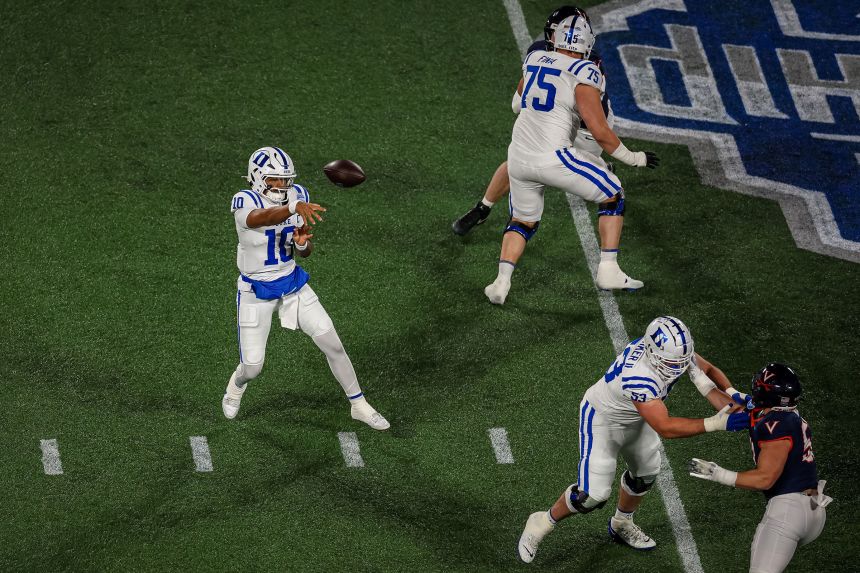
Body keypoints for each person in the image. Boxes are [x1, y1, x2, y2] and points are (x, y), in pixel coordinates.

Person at [517, 316, 751, 563]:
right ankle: (543, 521)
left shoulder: (671, 352)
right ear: (652, 353)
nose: (677, 367)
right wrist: (716, 423)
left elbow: (708, 374)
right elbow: (666, 427)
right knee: (591, 496)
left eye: (681, 361)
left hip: (637, 418)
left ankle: (622, 522)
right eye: (672, 362)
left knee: (645, 474)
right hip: (603, 420)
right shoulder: (640, 375)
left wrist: (735, 398)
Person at [484, 14, 659, 306]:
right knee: (613, 195)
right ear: (587, 43)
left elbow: (517, 103)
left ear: (555, 38)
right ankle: (608, 269)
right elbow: (601, 132)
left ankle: (501, 282)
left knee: (523, 221)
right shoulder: (585, 71)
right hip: (554, 158)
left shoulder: (536, 57)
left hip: (518, 157)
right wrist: (635, 158)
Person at [222, 146, 390, 431]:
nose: (283, 186)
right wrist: (290, 209)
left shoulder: (298, 196)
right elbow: (258, 219)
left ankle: (358, 404)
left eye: (287, 179)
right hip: (256, 291)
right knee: (253, 368)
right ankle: (235, 386)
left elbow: (304, 249)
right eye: (276, 180)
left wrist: (301, 243)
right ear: (259, 177)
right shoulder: (244, 200)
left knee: (333, 344)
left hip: (292, 285)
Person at [452, 6, 614, 236]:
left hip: (587, 129)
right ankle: (482, 209)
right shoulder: (541, 52)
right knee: (516, 162)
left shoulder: (591, 64)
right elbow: (519, 101)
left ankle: (598, 166)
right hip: (557, 122)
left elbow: (588, 116)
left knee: (577, 168)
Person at [689, 363, 832, 573]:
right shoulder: (778, 413)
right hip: (812, 511)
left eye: (762, 384)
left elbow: (765, 479)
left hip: (788, 513)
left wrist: (717, 473)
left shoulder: (777, 424)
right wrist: (692, 367)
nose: (757, 385)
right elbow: (728, 399)